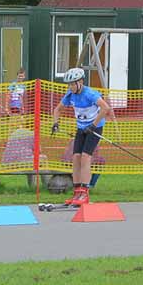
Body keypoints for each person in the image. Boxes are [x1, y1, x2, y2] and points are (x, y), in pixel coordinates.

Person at [51, 67, 111, 206]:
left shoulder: (90, 94)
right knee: (76, 158)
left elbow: (105, 108)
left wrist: (93, 125)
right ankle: (77, 192)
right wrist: (55, 123)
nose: (71, 87)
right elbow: (57, 109)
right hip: (81, 128)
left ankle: (85, 193)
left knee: (85, 157)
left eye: (73, 84)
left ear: (81, 82)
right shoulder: (70, 95)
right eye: (69, 84)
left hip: (94, 128)